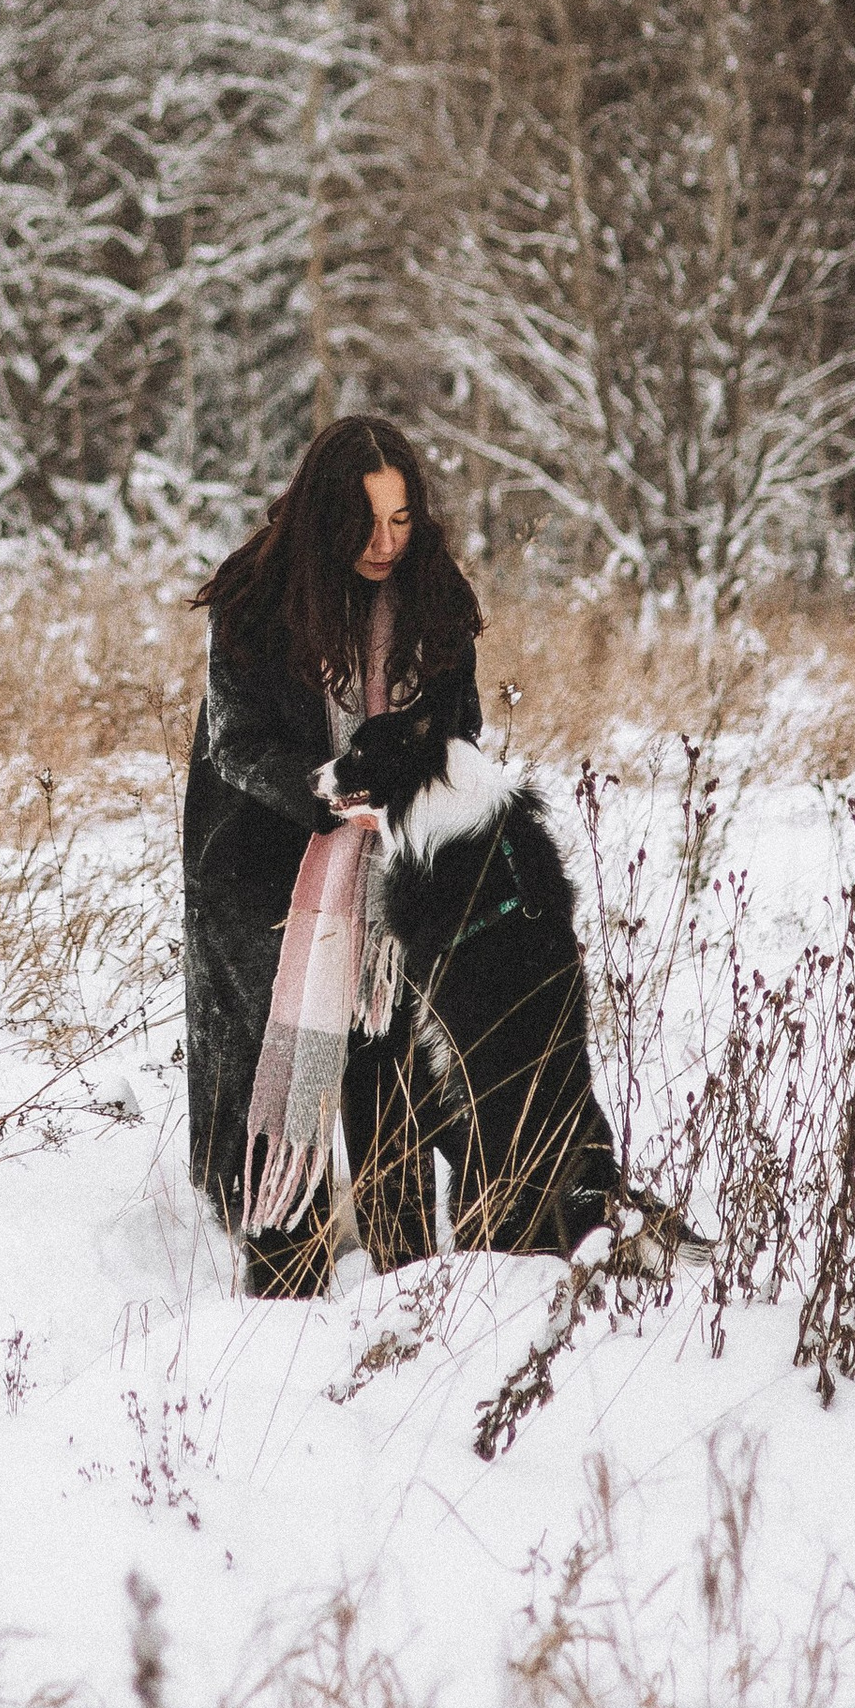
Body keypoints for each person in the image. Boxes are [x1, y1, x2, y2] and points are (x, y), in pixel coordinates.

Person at [181, 415, 482, 1298]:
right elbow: (235, 745)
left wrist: (410, 795)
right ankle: (284, 1281)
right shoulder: (255, 597)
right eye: (366, 524)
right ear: (323, 519)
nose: (387, 544)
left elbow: (461, 731)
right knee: (281, 1072)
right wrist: (330, 792)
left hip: (389, 862)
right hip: (262, 865)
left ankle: (403, 1284)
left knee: (387, 1055)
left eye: (401, 520)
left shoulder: (435, 595)